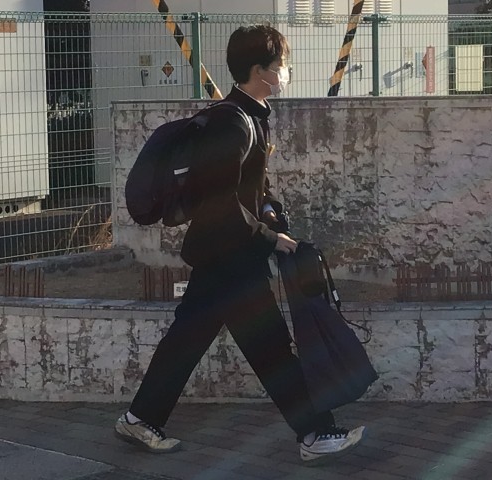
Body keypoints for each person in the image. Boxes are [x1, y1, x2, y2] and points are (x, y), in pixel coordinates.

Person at [115, 24, 364, 462]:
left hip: (222, 257)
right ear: (259, 71)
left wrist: (270, 212)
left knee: (189, 341)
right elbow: (220, 199)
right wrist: (269, 239)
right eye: (281, 64)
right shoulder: (232, 122)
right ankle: (315, 433)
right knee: (271, 349)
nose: (286, 71)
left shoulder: (250, 117)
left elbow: (250, 188)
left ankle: (141, 418)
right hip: (230, 257)